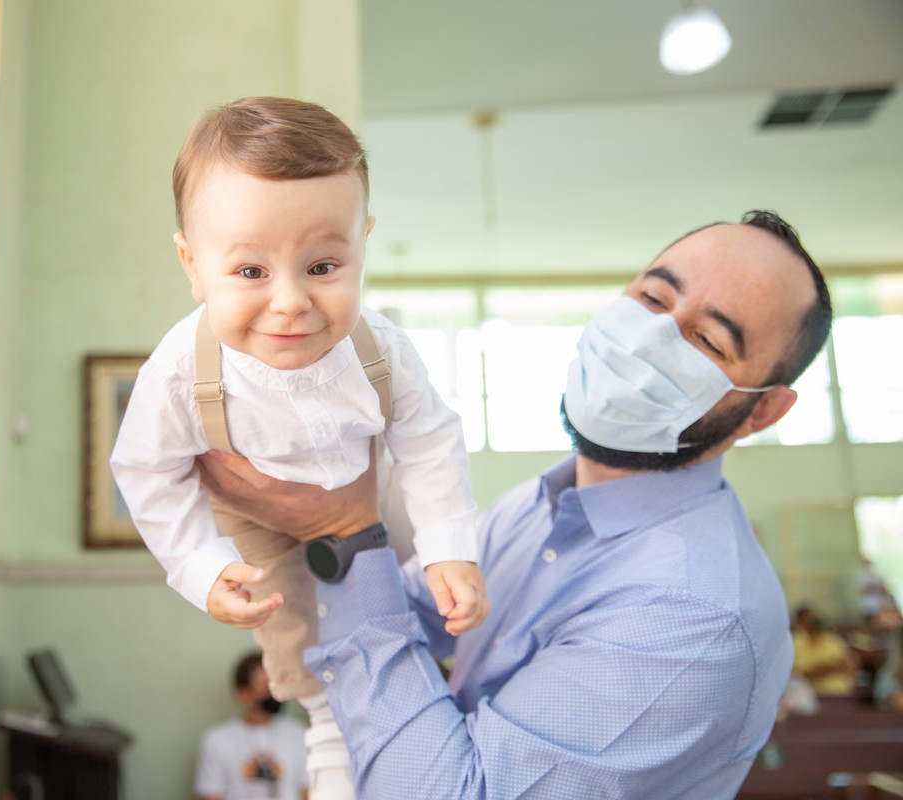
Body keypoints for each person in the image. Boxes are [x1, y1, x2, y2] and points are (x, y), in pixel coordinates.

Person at [198, 210, 834, 799]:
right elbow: (408, 610)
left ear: (764, 409)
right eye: (652, 298)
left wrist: (348, 531)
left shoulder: (695, 614)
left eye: (709, 340)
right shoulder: (541, 505)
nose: (651, 338)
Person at [109, 97, 488, 794]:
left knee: (416, 630)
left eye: (322, 267)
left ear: (362, 244)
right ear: (193, 265)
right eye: (251, 272)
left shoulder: (382, 350)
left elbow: (430, 439)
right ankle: (335, 770)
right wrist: (199, 565)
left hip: (376, 500)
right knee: (314, 672)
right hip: (262, 532)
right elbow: (147, 471)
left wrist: (448, 544)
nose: (290, 301)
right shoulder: (177, 373)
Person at [195, 652, 309, 800]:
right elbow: (210, 794)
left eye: (275, 685)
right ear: (243, 694)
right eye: (265, 687)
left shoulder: (298, 734)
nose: (273, 694)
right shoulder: (216, 740)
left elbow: (308, 790)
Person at [791, 604, 859, 696]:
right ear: (801, 621)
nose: (815, 621)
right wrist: (834, 667)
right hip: (810, 697)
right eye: (810, 618)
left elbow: (850, 664)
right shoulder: (795, 642)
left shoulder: (831, 639)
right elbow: (804, 674)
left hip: (841, 694)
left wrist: (823, 668)